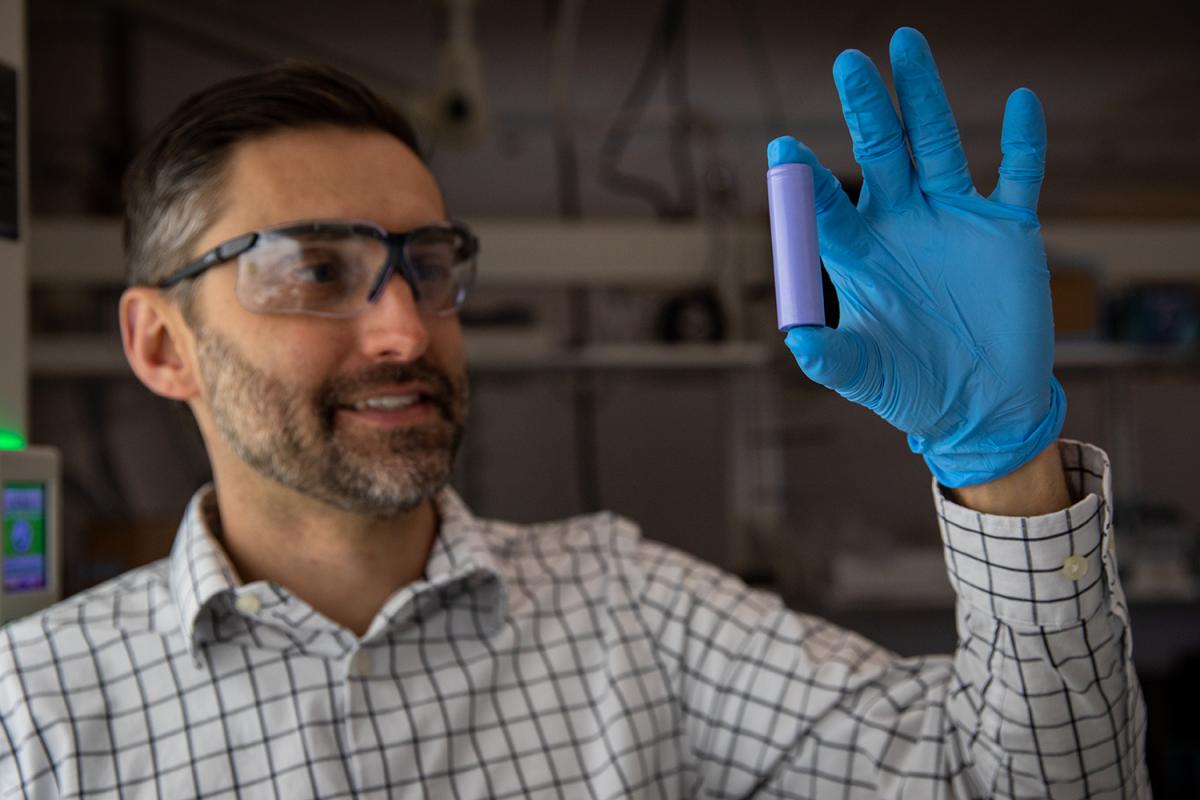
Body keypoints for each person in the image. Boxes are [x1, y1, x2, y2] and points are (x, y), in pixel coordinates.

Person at [1, 26, 1148, 799]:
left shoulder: (627, 610)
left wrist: (1000, 453)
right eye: (313, 269)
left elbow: (1028, 780)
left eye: (429, 261)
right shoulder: (34, 713)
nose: (405, 327)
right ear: (161, 343)